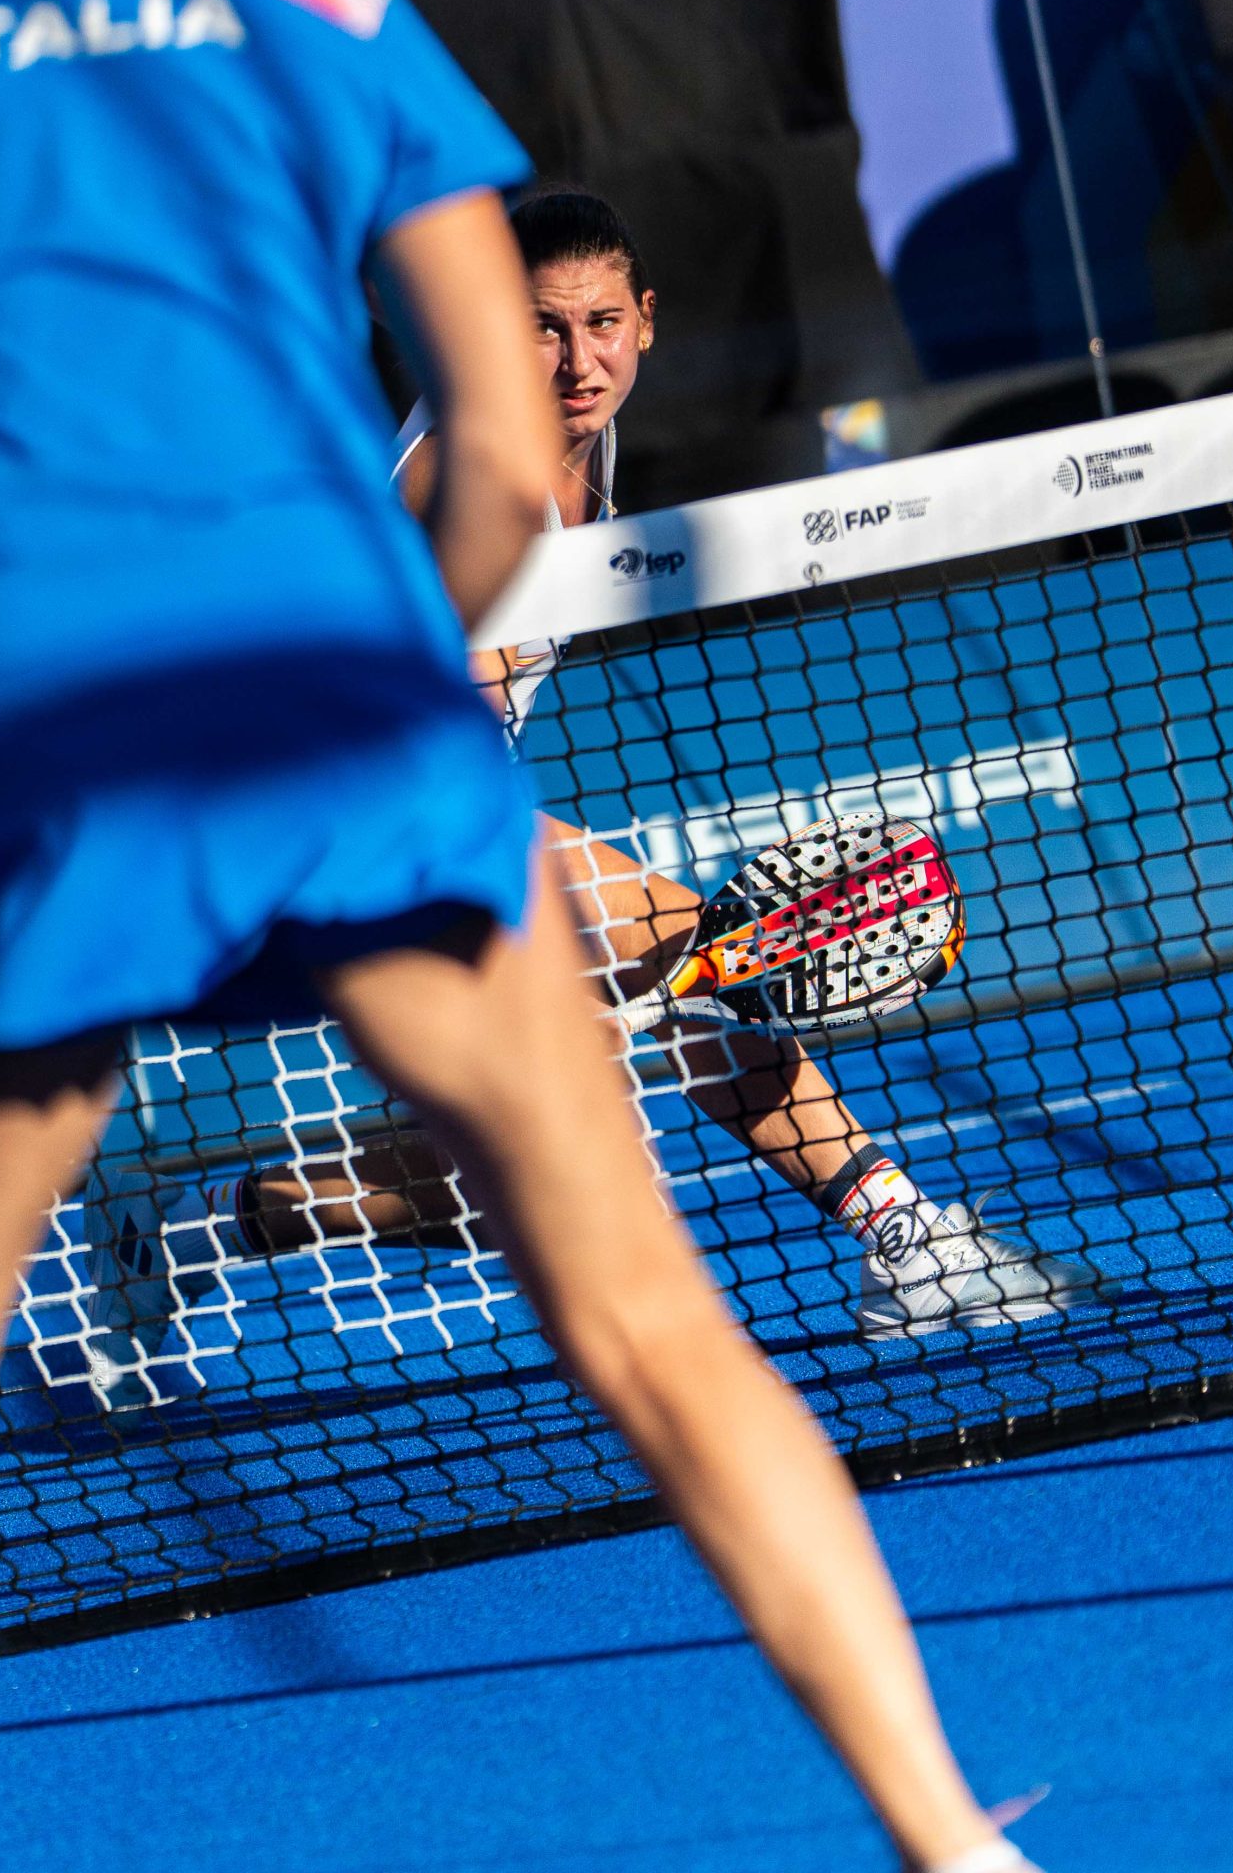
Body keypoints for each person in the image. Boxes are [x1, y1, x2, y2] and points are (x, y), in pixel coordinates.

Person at [0, 0, 1039, 1873]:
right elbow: (493, 465)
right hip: (358, 741)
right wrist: (378, 665)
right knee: (647, 1321)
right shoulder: (342, 23)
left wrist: (20, 648)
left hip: (50, 764)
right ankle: (951, 1838)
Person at [182, 186, 1086, 1342]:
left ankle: (201, 1225)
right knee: (646, 1041)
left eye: (600, 323)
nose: (578, 361)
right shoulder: (484, 488)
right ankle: (902, 1241)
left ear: (644, 320)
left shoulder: (579, 428)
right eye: (541, 329)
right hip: (329, 821)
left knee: (493, 1181)